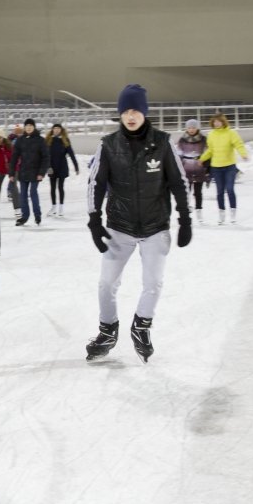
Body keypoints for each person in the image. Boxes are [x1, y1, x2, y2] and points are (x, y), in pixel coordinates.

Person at [85, 84, 191, 364]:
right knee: (106, 283)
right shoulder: (108, 144)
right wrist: (94, 220)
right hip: (119, 227)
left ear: (144, 112)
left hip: (156, 227)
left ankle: (141, 327)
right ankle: (107, 332)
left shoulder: (163, 142)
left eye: (135, 110)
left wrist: (185, 217)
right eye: (125, 111)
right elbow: (95, 183)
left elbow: (179, 182)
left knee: (153, 283)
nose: (130, 116)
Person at [198, 113, 248, 225]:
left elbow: (238, 144)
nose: (216, 123)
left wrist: (243, 154)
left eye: (219, 121)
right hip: (216, 167)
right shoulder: (211, 135)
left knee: (230, 189)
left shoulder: (231, 133)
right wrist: (202, 159)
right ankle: (221, 213)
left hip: (229, 166)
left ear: (223, 122)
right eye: (214, 121)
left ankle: (233, 212)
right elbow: (211, 150)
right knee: (220, 192)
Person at [9, 118, 49, 226]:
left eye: (31, 126)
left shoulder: (40, 140)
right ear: (25, 127)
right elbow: (14, 157)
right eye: (27, 126)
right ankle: (24, 216)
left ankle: (37, 215)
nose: (29, 128)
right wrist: (11, 173)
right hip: (24, 171)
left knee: (33, 193)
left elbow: (46, 157)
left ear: (34, 127)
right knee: (23, 195)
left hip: (36, 172)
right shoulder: (20, 140)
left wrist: (41, 173)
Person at [176, 119, 209, 223]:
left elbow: (207, 152)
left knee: (198, 192)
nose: (191, 130)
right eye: (189, 127)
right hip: (187, 168)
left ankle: (199, 211)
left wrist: (206, 165)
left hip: (199, 168)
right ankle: (186, 212)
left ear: (197, 128)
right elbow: (178, 154)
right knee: (187, 191)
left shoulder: (203, 139)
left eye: (193, 127)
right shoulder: (182, 140)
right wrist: (178, 168)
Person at [44, 123, 79, 217]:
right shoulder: (48, 141)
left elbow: (71, 154)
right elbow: (46, 156)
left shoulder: (65, 140)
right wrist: (47, 167)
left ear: (61, 130)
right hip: (52, 168)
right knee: (52, 188)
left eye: (58, 128)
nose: (56, 130)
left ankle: (61, 208)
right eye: (54, 128)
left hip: (62, 167)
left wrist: (76, 166)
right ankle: (54, 207)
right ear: (52, 130)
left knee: (60, 187)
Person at [0, 130, 15, 208]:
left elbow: (14, 157)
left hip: (10, 169)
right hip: (0, 169)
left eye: (0, 137)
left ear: (4, 138)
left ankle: (18, 209)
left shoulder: (9, 146)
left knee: (14, 187)